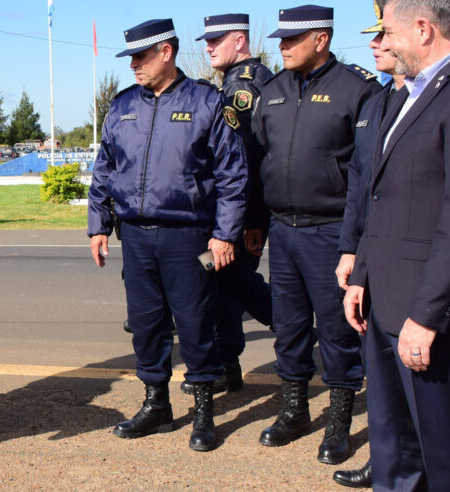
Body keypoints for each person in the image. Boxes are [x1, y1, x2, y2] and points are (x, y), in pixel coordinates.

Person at [344, 0, 450, 489]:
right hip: (385, 299)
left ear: (422, 29)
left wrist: (425, 315)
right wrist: (362, 277)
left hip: (431, 313)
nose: (383, 42)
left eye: (389, 31)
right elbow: (383, 197)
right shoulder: (406, 96)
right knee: (393, 444)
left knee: (444, 450)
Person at [88, 18, 247, 452]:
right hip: (136, 236)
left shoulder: (206, 103)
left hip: (188, 235)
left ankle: (203, 412)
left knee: (196, 324)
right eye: (130, 58)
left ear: (166, 52)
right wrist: (98, 223)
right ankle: (156, 404)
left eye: (140, 56)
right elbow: (105, 169)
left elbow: (232, 174)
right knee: (146, 325)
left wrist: (225, 234)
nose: (134, 65)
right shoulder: (121, 107)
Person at [251, 4, 380, 465]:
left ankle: (339, 424)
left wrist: (352, 244)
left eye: (291, 39)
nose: (282, 47)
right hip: (283, 231)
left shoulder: (357, 90)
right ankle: (294, 411)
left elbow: (365, 175)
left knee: (338, 331)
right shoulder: (272, 90)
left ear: (320, 39)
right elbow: (260, 158)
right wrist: (256, 224)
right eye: (280, 40)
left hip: (330, 231)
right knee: (288, 328)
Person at [331, 1, 405, 487]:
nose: (375, 44)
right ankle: (386, 462)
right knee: (378, 372)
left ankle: (408, 465)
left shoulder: (431, 96)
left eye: (383, 35)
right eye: (373, 36)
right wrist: (350, 249)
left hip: (406, 257)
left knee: (413, 381)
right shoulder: (377, 101)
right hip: (369, 251)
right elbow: (360, 183)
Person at [185, 12, 274, 397]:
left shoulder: (244, 87)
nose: (208, 47)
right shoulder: (241, 81)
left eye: (216, 41)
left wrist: (250, 221)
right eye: (206, 41)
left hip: (239, 216)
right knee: (226, 286)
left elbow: (247, 161)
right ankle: (229, 366)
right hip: (238, 215)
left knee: (226, 284)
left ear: (239, 40)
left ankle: (291, 325)